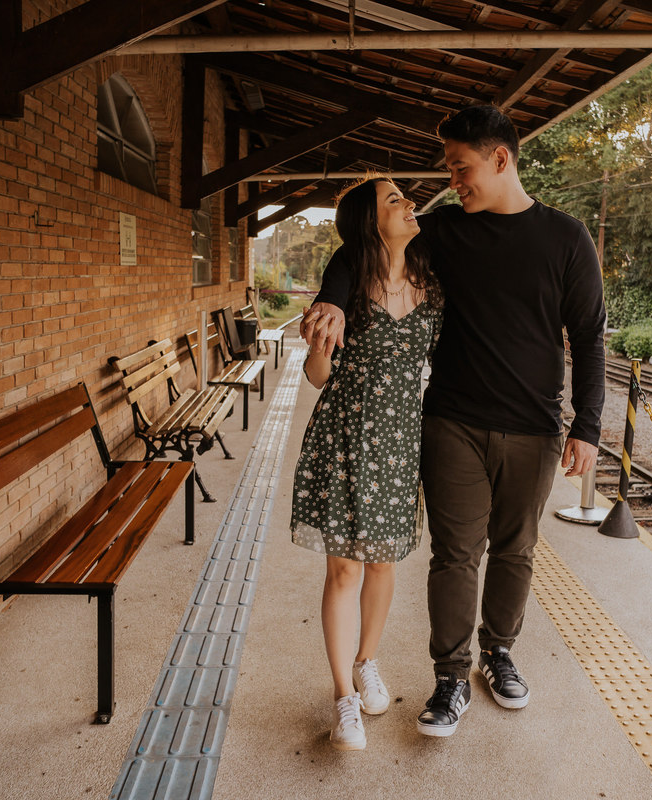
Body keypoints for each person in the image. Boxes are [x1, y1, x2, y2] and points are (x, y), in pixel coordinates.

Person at [302, 105, 606, 738]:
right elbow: (358, 247)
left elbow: (589, 336)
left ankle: (498, 654)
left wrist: (588, 427)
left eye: (460, 168)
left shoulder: (567, 238)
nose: (451, 182)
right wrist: (330, 297)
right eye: (448, 169)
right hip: (452, 422)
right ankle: (449, 676)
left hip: (535, 424)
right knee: (455, 554)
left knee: (516, 549)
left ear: (500, 159)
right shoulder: (442, 230)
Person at [290, 177, 443, 751]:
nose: (408, 203)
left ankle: (367, 660)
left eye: (404, 196)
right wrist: (318, 349)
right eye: (394, 200)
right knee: (345, 571)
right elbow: (316, 379)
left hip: (402, 442)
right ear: (369, 222)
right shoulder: (348, 284)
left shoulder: (430, 279)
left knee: (382, 564)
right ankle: (342, 696)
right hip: (347, 437)